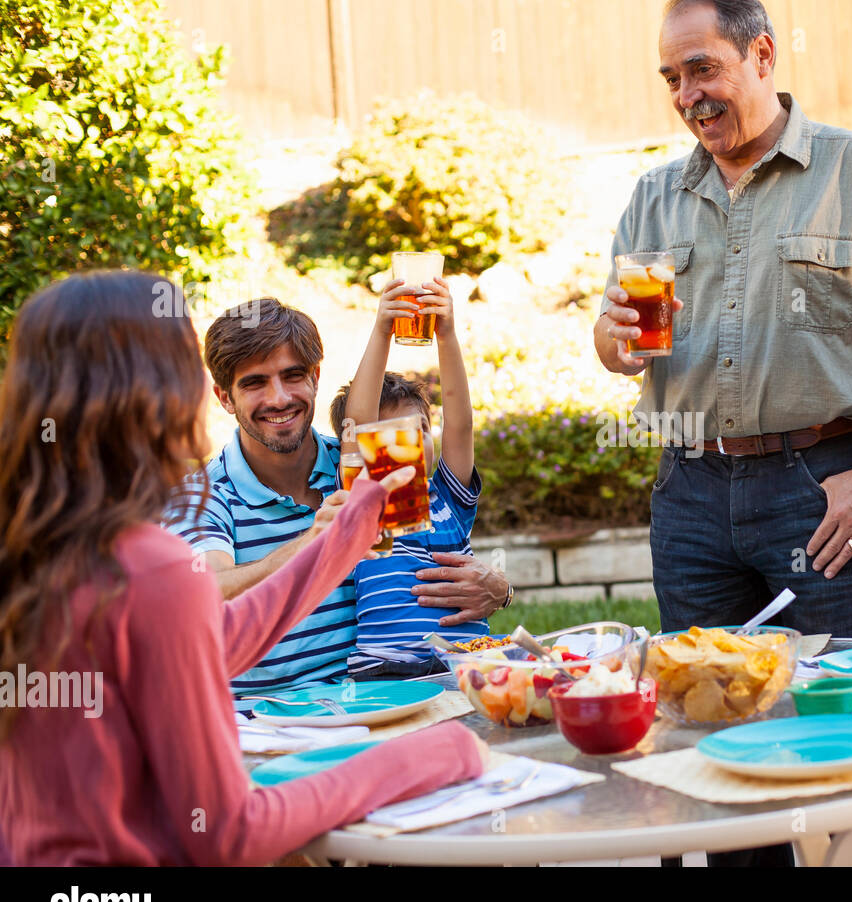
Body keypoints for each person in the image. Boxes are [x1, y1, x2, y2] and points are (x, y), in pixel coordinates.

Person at [593, 0, 852, 866]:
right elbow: (615, 346)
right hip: (687, 493)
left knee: (849, 738)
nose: (687, 94)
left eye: (703, 69)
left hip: (821, 486)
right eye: (672, 78)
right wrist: (612, 338)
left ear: (761, 54)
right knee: (713, 746)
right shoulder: (654, 196)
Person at [0, 271, 486, 865]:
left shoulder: (48, 543)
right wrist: (440, 754)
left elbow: (209, 640)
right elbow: (229, 834)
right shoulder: (148, 553)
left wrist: (346, 534)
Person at [167, 296, 509, 708]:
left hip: (389, 701)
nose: (278, 399)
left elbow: (454, 436)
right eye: (255, 383)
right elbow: (203, 591)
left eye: (292, 376)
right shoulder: (202, 497)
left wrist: (500, 589)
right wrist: (311, 542)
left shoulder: (366, 464)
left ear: (314, 378)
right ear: (224, 398)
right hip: (272, 721)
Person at [329, 273, 494, 680]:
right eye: (397, 434)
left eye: (421, 428)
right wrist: (383, 329)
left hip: (467, 666)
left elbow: (461, 424)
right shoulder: (366, 501)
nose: (416, 441)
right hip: (388, 671)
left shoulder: (448, 498)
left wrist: (447, 335)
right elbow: (358, 421)